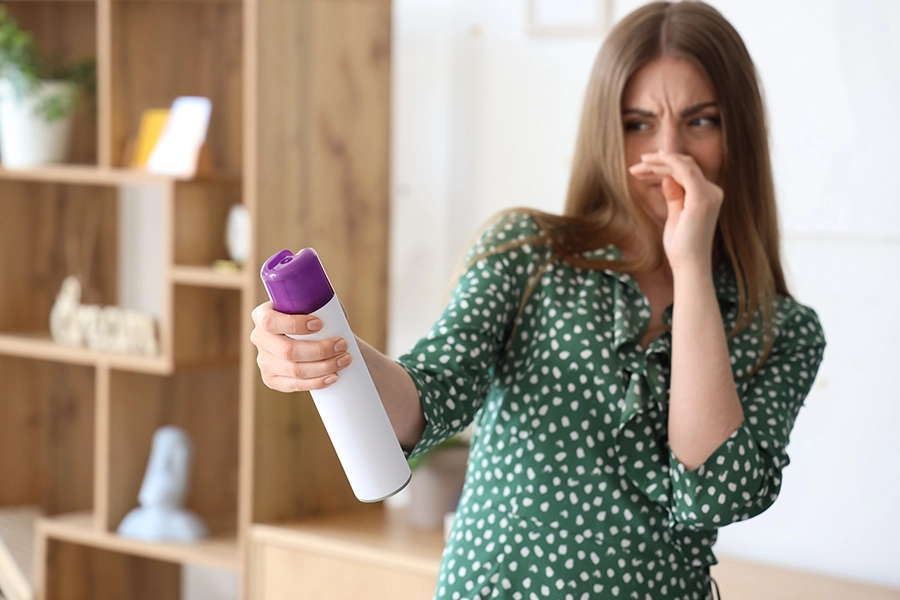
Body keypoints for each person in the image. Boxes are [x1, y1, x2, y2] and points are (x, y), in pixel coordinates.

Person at [249, 1, 827, 598]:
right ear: (606, 131)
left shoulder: (782, 330)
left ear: (741, 134)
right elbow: (430, 396)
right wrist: (324, 348)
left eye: (701, 122)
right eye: (638, 123)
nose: (668, 154)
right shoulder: (528, 255)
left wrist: (692, 270)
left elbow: (714, 493)